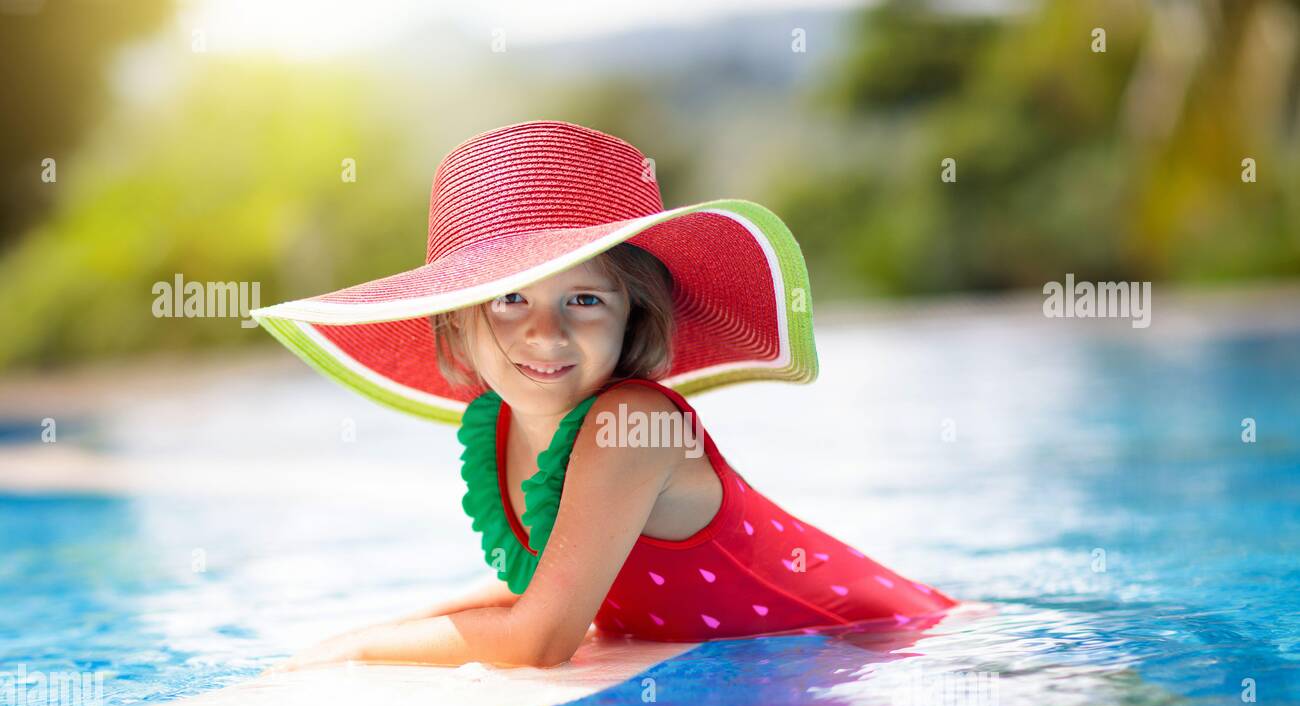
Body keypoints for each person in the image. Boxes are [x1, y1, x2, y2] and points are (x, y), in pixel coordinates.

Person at [252, 121, 958, 671]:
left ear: (634, 319)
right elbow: (544, 586)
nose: (544, 332)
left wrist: (353, 654)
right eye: (508, 298)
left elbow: (540, 638)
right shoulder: (500, 425)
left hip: (898, 644)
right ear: (456, 328)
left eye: (584, 298)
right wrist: (355, 633)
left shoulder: (632, 424)